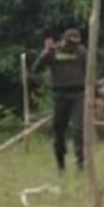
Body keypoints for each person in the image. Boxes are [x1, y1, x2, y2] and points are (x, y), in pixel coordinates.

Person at [31, 28, 86, 178]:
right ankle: (61, 166)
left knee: (78, 130)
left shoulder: (81, 52)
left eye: (76, 43)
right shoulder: (53, 52)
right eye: (71, 43)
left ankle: (81, 166)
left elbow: (90, 71)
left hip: (78, 94)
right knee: (59, 132)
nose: (73, 46)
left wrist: (96, 93)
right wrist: (45, 53)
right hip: (60, 95)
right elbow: (35, 69)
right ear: (64, 40)